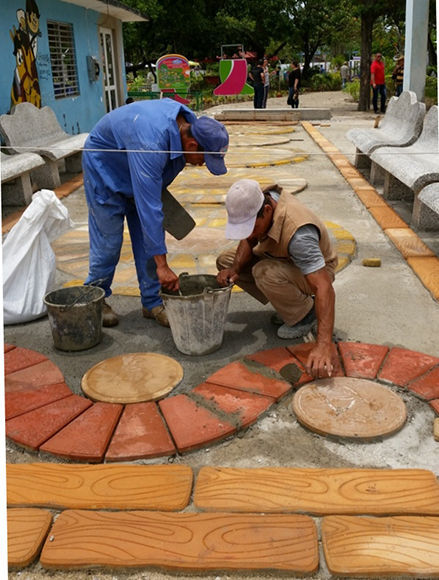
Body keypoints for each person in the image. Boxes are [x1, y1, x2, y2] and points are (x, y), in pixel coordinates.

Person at [82, 98, 229, 328]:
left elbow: (150, 204)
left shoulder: (190, 126)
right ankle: (96, 297)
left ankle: (151, 301)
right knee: (108, 242)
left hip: (138, 166)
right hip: (105, 168)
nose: (202, 165)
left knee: (148, 237)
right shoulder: (152, 142)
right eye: (204, 159)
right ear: (191, 146)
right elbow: (150, 207)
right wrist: (163, 266)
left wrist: (157, 250)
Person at [216, 179, 338, 378]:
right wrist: (235, 268)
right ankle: (290, 302)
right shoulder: (258, 201)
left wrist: (324, 345)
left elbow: (323, 286)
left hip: (316, 270)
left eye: (251, 227)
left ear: (266, 210)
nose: (248, 233)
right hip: (282, 256)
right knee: (226, 262)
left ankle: (306, 314)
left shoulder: (299, 234)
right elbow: (250, 237)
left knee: (264, 272)